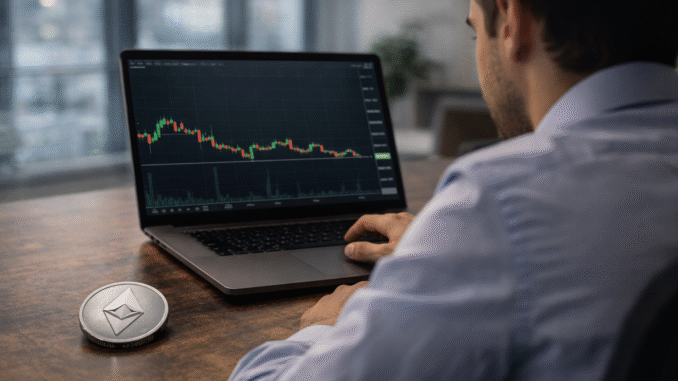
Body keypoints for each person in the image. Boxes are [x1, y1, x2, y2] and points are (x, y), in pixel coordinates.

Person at [230, 0, 678, 379]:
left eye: (473, 35)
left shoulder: (501, 200)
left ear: (511, 21)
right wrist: (443, 254)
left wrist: (327, 327)